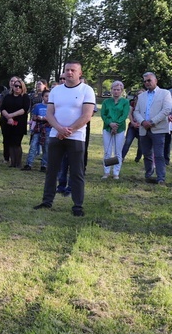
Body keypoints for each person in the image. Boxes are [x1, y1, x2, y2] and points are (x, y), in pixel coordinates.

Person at [34, 61, 96, 217]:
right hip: (56, 134)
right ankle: (47, 201)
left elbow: (87, 115)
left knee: (76, 172)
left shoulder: (86, 90)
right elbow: (49, 114)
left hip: (76, 137)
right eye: (67, 70)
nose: (69, 73)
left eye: (73, 70)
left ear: (80, 73)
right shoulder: (56, 90)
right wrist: (59, 129)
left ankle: (78, 205)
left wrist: (70, 130)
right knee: (51, 170)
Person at [133, 72, 172, 185]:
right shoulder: (141, 96)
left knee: (159, 155)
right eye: (145, 81)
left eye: (149, 80)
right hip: (144, 129)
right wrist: (142, 122)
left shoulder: (165, 94)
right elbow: (136, 111)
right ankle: (148, 175)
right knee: (147, 154)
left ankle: (160, 178)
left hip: (158, 129)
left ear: (156, 80)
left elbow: (166, 110)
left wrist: (152, 122)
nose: (146, 83)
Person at [100, 81, 130, 180]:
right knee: (107, 151)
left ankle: (116, 172)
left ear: (121, 91)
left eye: (118, 90)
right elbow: (103, 114)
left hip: (119, 129)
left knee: (118, 151)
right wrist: (110, 123)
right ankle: (106, 172)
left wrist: (116, 125)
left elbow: (124, 115)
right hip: (107, 128)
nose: (116, 91)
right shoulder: (106, 102)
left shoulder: (125, 102)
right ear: (111, 90)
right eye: (114, 89)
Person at [0, 76, 30, 168]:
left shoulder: (25, 97)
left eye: (20, 86)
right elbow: (2, 108)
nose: (17, 88)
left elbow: (24, 109)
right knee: (9, 142)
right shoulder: (8, 96)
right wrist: (8, 117)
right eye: (16, 86)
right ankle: (12, 162)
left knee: (16, 143)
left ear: (23, 87)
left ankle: (18, 162)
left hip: (19, 123)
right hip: (7, 122)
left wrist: (11, 115)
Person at [22, 89, 50, 171]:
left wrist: (46, 119)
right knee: (33, 146)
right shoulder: (38, 106)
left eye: (50, 96)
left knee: (46, 148)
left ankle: (44, 165)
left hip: (48, 130)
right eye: (46, 96)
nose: (48, 98)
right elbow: (33, 117)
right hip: (38, 129)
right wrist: (38, 118)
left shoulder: (53, 107)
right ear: (42, 97)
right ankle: (29, 163)